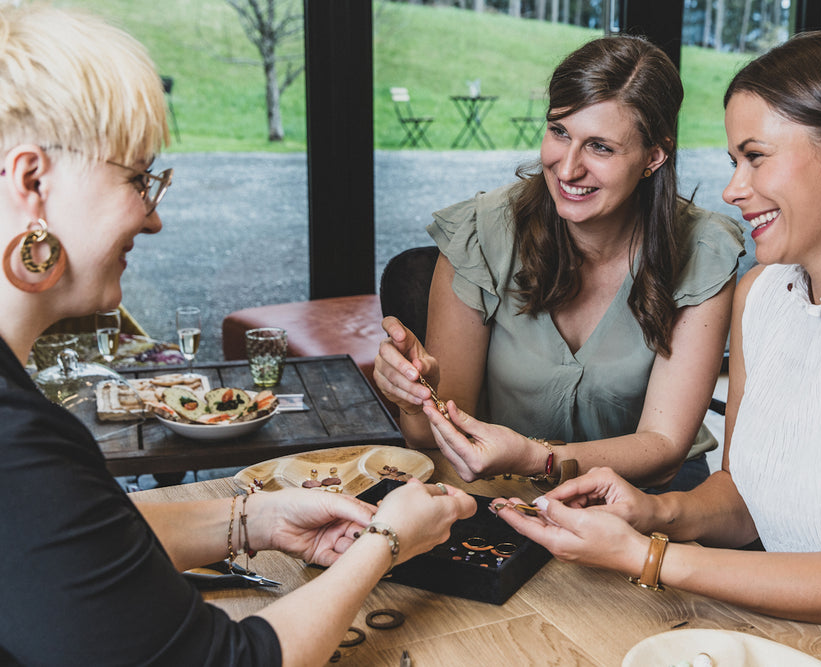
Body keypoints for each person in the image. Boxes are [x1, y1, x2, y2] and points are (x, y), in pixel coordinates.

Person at [488, 32, 821, 667]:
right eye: (735, 160)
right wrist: (654, 509)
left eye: (755, 157)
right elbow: (746, 495)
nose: (733, 188)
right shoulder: (762, 294)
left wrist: (645, 555)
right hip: (797, 641)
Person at [0, 6, 475, 666]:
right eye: (139, 177)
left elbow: (65, 545)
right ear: (31, 181)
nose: (155, 216)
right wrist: (387, 542)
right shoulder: (16, 444)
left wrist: (257, 520)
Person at [375, 35, 744, 492]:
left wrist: (541, 459)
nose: (567, 168)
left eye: (601, 148)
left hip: (644, 497)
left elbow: (664, 447)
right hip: (503, 489)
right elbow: (435, 436)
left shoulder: (704, 249)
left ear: (654, 156)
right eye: (559, 132)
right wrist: (416, 401)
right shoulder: (481, 233)